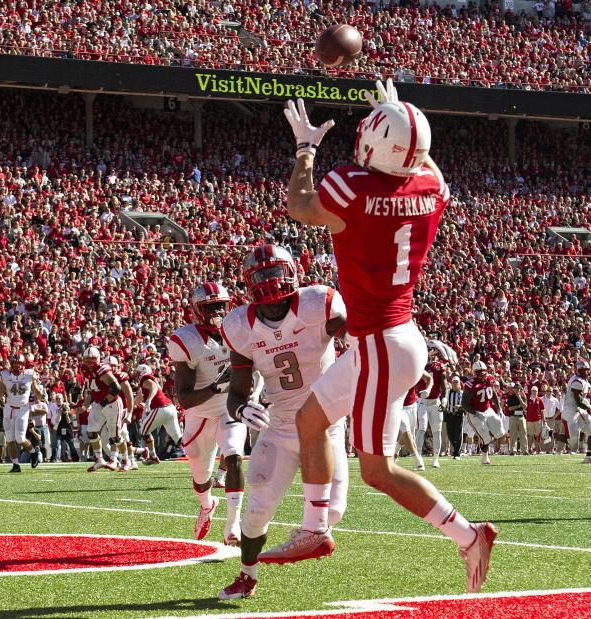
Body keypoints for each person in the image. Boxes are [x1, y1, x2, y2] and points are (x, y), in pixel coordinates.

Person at [258, 80, 497, 594]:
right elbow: (425, 166)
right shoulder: (429, 187)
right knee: (311, 418)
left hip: (382, 345)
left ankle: (468, 533)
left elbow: (300, 206)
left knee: (377, 470)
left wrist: (304, 150)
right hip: (393, 336)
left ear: (375, 145)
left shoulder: (352, 185)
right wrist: (399, 118)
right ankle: (316, 528)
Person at [218, 245, 349, 600]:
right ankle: (247, 576)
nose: (270, 282)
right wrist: (242, 410)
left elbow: (352, 335)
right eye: (262, 276)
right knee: (257, 511)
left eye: (275, 273)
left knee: (334, 510)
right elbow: (237, 393)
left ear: (293, 271)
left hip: (324, 423)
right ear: (249, 283)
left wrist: (356, 338)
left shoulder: (317, 302)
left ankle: (307, 534)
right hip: (280, 427)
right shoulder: (239, 325)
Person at [168, 283, 246, 547]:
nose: (217, 312)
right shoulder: (187, 340)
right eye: (210, 307)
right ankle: (207, 504)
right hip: (200, 416)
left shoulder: (238, 330)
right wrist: (215, 387)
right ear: (198, 311)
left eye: (221, 306)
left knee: (234, 456)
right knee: (202, 480)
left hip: (229, 408)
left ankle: (233, 524)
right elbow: (185, 398)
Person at [75, 346, 127, 472]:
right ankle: (99, 460)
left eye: (92, 359)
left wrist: (103, 402)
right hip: (99, 404)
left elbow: (116, 388)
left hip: (112, 404)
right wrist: (84, 406)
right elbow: (92, 391)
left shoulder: (101, 369)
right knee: (91, 431)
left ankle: (126, 460)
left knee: (115, 436)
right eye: (86, 359)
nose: (88, 361)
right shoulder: (85, 370)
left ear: (97, 358)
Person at [0, 354, 43, 472]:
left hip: (23, 409)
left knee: (19, 438)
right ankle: (16, 465)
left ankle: (33, 452)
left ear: (23, 364)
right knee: (9, 438)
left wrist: (39, 395)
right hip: (9, 408)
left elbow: (36, 390)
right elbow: (0, 392)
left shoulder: (29, 374)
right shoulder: (5, 375)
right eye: (15, 363)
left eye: (19, 363)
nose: (17, 365)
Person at [132, 363, 183, 466]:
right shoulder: (146, 381)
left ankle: (153, 456)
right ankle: (198, 446)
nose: (136, 375)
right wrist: (129, 407)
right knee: (178, 439)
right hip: (170, 408)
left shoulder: (145, 378)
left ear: (142, 372)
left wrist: (148, 401)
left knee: (144, 431)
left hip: (161, 408)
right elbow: (140, 397)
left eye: (138, 373)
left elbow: (153, 386)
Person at [461, 361, 506, 465]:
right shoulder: (470, 384)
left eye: (483, 371)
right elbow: (464, 404)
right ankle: (484, 457)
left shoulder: (490, 379)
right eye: (479, 372)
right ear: (474, 372)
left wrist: (499, 408)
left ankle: (487, 440)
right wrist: (476, 414)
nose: (482, 373)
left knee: (499, 428)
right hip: (474, 412)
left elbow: (493, 392)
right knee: (485, 436)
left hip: (487, 409)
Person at [416, 345, 449, 468]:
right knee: (421, 429)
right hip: (422, 402)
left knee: (437, 430)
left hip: (435, 401)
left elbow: (444, 386)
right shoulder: (418, 366)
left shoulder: (440, 367)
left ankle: (436, 458)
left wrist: (444, 401)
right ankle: (418, 457)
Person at [557, 359, 591, 463]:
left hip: (579, 411)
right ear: (579, 371)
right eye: (584, 370)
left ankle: (589, 457)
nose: (586, 372)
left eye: (587, 369)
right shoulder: (577, 381)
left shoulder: (584, 381)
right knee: (573, 443)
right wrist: (589, 407)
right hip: (570, 412)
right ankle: (550, 433)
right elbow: (579, 401)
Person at [444, 376, 464, 460]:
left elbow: (466, 404)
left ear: (459, 383)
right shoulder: (448, 392)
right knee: (450, 434)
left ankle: (457, 453)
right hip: (449, 414)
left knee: (458, 434)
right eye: (454, 382)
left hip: (458, 414)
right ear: (451, 383)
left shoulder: (462, 393)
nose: (455, 384)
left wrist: (459, 406)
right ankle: (455, 449)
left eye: (457, 382)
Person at [506, 382, 528, 455]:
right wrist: (519, 406)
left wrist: (519, 398)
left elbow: (525, 406)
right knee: (513, 434)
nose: (517, 390)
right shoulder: (511, 397)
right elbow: (510, 408)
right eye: (516, 388)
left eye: (518, 389)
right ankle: (513, 450)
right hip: (513, 416)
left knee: (523, 433)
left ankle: (524, 450)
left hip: (521, 416)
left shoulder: (523, 397)